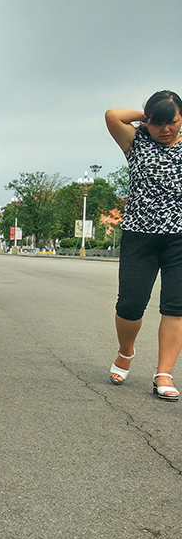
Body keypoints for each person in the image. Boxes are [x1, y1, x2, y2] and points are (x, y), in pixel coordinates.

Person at [105, 90, 182, 401]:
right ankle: (126, 352)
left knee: (175, 307)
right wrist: (145, 117)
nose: (166, 130)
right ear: (149, 122)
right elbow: (112, 115)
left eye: (173, 122)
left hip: (179, 236)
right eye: (159, 123)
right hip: (140, 234)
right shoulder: (136, 141)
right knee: (130, 304)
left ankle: (164, 372)